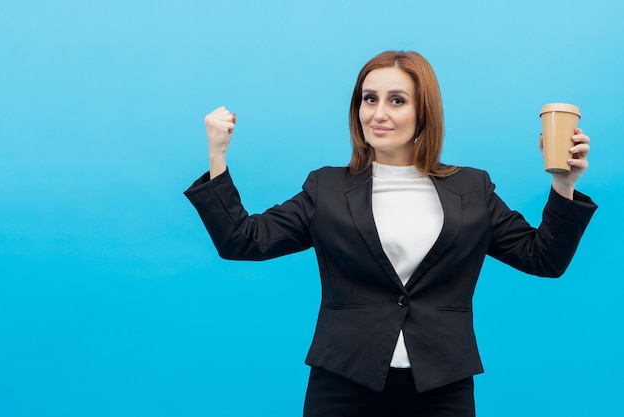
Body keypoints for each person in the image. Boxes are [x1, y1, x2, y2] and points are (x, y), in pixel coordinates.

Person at [184, 51, 597, 417]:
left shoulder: (472, 189)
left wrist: (564, 183)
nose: (378, 113)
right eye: (369, 99)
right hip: (343, 384)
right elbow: (243, 240)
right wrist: (217, 155)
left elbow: (543, 258)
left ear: (424, 113)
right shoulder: (326, 188)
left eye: (396, 100)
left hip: (442, 387)